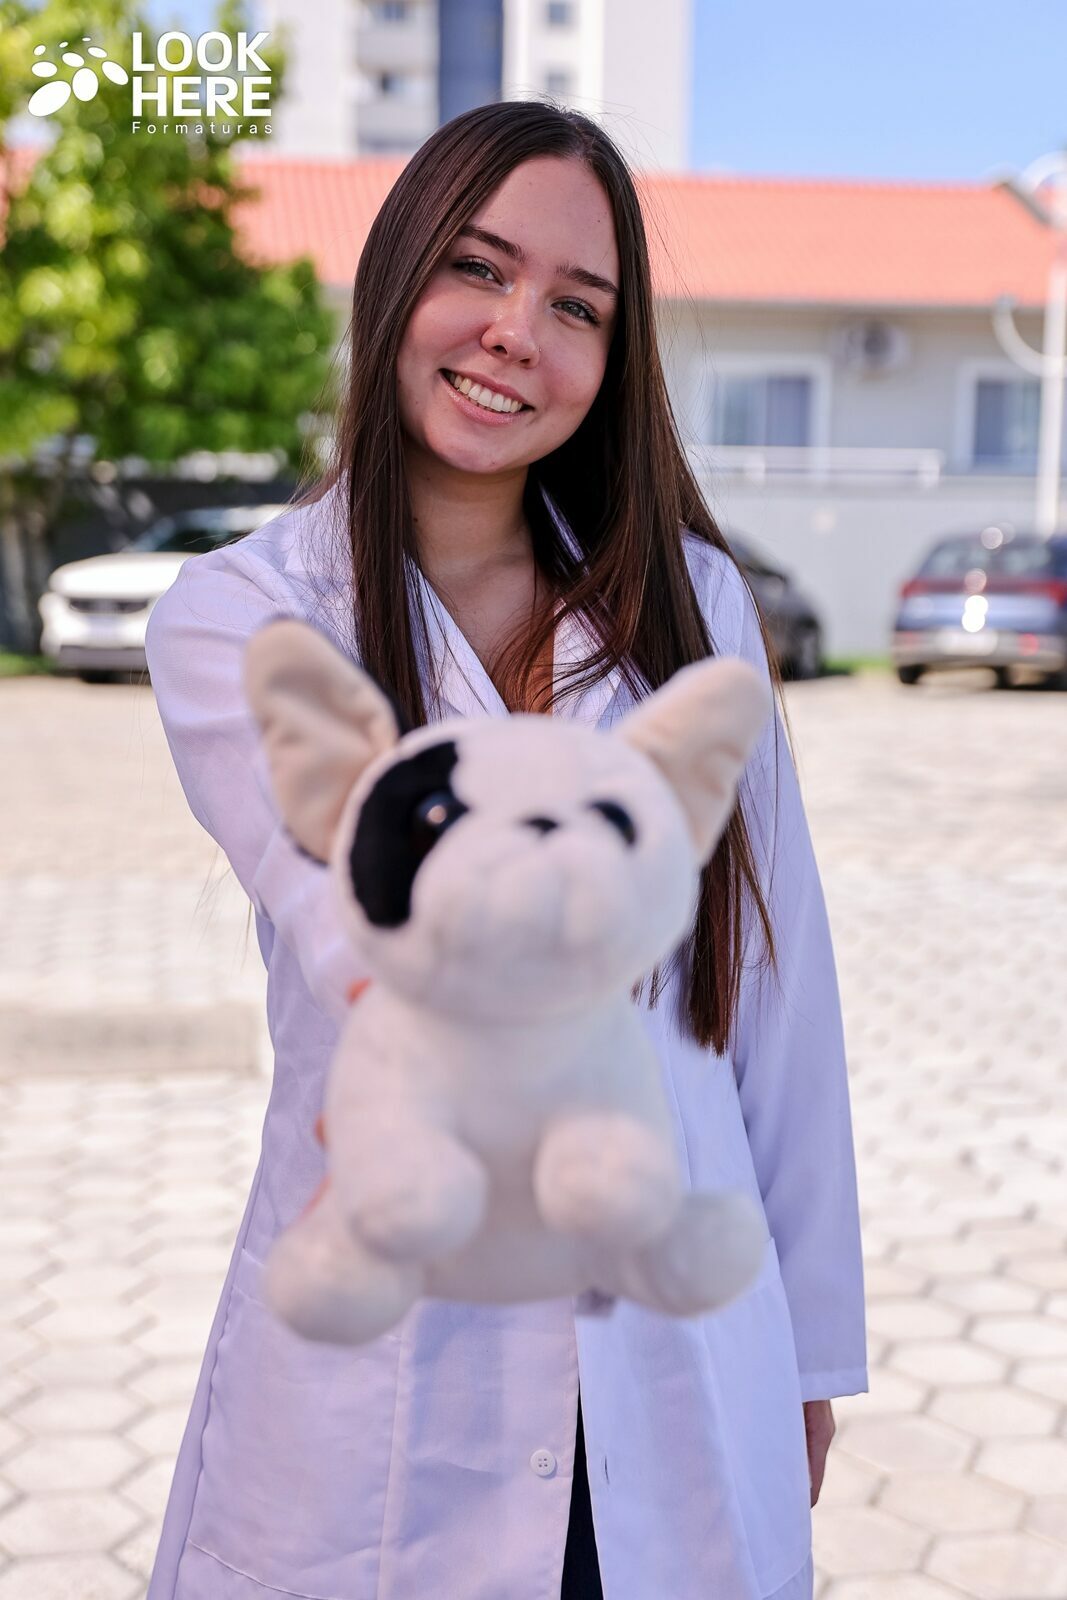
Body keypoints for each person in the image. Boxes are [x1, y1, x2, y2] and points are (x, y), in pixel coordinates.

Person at [144, 99, 867, 1600]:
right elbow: (362, 927)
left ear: (615, 357)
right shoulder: (245, 620)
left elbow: (775, 1000)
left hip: (674, 1362)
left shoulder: (695, 612)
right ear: (396, 276)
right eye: (478, 268)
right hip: (394, 1374)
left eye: (578, 307)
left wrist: (805, 1350)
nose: (515, 334)